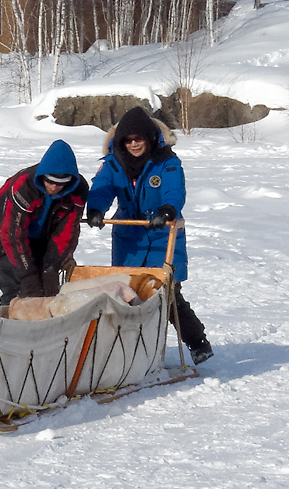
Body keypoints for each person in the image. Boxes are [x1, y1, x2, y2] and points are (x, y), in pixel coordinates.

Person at [85, 105, 213, 363]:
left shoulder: (167, 162)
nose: (133, 144)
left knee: (167, 294)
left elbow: (174, 191)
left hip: (161, 234)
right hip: (128, 238)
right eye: (128, 140)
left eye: (138, 139)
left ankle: (197, 342)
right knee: (127, 293)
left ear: (149, 138)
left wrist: (167, 209)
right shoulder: (113, 163)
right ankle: (129, 350)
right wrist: (96, 208)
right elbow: (102, 186)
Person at [0, 139, 87, 306]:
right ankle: (9, 321)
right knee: (19, 290)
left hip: (40, 237)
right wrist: (27, 276)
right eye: (50, 181)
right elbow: (12, 233)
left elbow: (66, 233)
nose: (54, 187)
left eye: (61, 183)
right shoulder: (25, 185)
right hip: (2, 235)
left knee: (46, 291)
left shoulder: (78, 190)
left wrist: (51, 268)